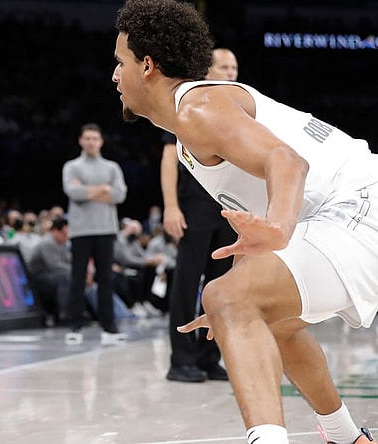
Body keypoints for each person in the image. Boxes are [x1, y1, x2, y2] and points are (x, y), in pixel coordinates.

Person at [114, 1, 376, 443]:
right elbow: (264, 208)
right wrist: (243, 291)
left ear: (147, 65)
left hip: (361, 203)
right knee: (268, 318)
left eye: (119, 62)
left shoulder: (198, 108)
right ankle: (348, 437)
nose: (114, 76)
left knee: (229, 297)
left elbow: (287, 163)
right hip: (341, 210)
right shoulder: (189, 131)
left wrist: (275, 234)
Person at [160, 48, 239, 383]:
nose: (232, 72)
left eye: (235, 67)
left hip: (229, 206)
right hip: (195, 206)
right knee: (187, 282)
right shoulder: (188, 103)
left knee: (221, 286)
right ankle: (181, 359)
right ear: (208, 69)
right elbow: (168, 158)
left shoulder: (240, 107)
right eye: (225, 66)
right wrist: (171, 206)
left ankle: (209, 357)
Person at [62, 123, 127, 345]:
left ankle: (109, 327)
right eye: (87, 138)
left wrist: (88, 190)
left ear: (101, 141)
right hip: (80, 230)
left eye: (94, 138)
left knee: (106, 280)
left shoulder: (111, 167)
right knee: (78, 278)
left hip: (105, 229)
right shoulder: (72, 166)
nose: (91, 142)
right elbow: (73, 192)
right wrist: (103, 189)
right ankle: (75, 325)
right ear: (81, 140)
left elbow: (119, 195)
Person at [26, 217, 72, 326]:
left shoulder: (62, 243)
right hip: (39, 277)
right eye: (64, 234)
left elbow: (69, 260)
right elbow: (54, 265)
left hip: (53, 274)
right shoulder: (47, 243)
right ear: (55, 231)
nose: (67, 238)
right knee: (65, 278)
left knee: (72, 276)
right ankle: (64, 314)